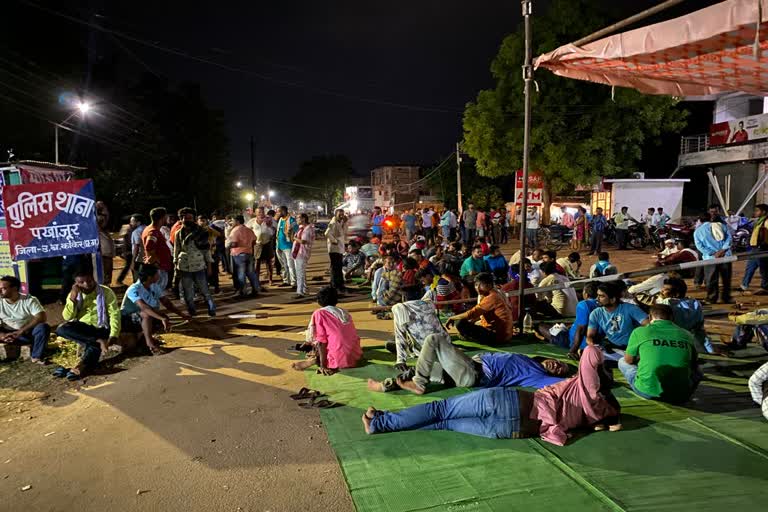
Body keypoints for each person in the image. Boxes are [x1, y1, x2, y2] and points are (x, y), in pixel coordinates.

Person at [362, 345, 620, 446]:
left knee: (439, 411)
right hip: (513, 430)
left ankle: (381, 422)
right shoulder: (594, 414)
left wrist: (599, 361)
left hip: (507, 401)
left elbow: (591, 353)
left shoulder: (587, 389)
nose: (558, 367)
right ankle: (385, 420)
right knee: (442, 421)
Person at [371, 332, 568, 394]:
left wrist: (578, 374)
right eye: (559, 363)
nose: (556, 366)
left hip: (474, 373)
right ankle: (387, 385)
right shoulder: (529, 359)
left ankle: (419, 382)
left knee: (434, 340)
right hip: (466, 368)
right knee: (422, 366)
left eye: (559, 370)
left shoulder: (537, 375)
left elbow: (564, 384)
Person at [619, 304, 700, 404]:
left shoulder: (640, 331)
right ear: (672, 318)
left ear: (649, 317)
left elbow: (629, 360)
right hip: (681, 395)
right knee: (698, 371)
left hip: (648, 392)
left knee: (622, 361)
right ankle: (683, 390)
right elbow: (694, 362)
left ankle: (645, 384)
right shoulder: (686, 334)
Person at [56, 268, 121, 380]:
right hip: (84, 327)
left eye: (89, 281)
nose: (87, 284)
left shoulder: (106, 292)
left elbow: (114, 314)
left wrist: (113, 335)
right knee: (61, 329)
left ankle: (79, 366)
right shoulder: (74, 295)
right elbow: (67, 317)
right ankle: (97, 341)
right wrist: (73, 297)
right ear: (76, 284)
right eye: (81, 282)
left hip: (102, 327)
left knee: (93, 345)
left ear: (93, 279)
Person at [120, 265, 191, 355]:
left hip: (140, 317)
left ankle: (144, 339)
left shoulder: (154, 286)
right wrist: (161, 318)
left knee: (161, 317)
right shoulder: (133, 289)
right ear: (150, 277)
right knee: (148, 314)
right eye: (157, 274)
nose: (159, 276)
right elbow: (143, 307)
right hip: (127, 319)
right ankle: (150, 344)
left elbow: (167, 303)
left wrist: (182, 315)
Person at [291, 286, 362, 374]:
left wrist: (323, 365)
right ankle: (318, 357)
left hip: (338, 359)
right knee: (338, 342)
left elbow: (321, 342)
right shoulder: (344, 311)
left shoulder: (320, 313)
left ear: (318, 301)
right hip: (355, 356)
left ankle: (315, 360)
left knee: (318, 342)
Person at [446, 273, 516, 344]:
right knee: (465, 320)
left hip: (498, 336)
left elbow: (472, 313)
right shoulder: (494, 293)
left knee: (460, 323)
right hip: (504, 335)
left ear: (489, 285)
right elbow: (477, 313)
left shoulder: (492, 297)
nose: (478, 288)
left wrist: (452, 318)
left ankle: (472, 338)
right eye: (476, 285)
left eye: (481, 285)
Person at [656, 277, 715, 355]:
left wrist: (660, 298)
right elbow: (700, 330)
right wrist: (709, 348)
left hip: (670, 343)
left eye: (665, 290)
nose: (661, 291)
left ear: (676, 294)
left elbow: (658, 307)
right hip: (687, 341)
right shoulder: (695, 302)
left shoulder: (668, 302)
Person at [173, 211, 216, 317]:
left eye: (190, 218)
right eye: (185, 218)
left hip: (199, 265)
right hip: (184, 266)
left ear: (194, 219)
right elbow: (176, 250)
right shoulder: (178, 233)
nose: (187, 220)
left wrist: (209, 266)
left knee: (204, 289)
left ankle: (211, 308)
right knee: (188, 292)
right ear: (181, 219)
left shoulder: (202, 232)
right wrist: (175, 265)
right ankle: (192, 312)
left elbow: (206, 251)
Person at [0, 276, 50, 364]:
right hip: (7, 334)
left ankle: (36, 357)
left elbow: (41, 317)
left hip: (26, 333)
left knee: (43, 327)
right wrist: (2, 335)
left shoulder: (29, 300)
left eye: (3, 288)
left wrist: (21, 331)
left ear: (14, 288)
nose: (0, 291)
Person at [586, 282, 648, 352]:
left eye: (601, 296)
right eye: (597, 295)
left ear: (613, 299)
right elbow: (590, 335)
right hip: (612, 347)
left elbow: (649, 325)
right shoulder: (596, 313)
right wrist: (592, 343)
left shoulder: (630, 308)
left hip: (633, 347)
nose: (597, 299)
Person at [694, 206, 733, 303]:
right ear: (710, 218)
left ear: (700, 220)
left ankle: (712, 298)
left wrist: (713, 253)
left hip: (710, 258)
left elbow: (700, 247)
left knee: (711, 279)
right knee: (726, 279)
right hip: (725, 257)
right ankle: (726, 297)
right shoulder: (721, 225)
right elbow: (729, 239)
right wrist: (722, 251)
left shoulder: (697, 231)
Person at [227, 215, 260, 297]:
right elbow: (254, 241)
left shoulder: (235, 230)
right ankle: (256, 289)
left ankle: (242, 291)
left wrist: (229, 246)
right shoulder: (248, 230)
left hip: (238, 254)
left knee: (240, 273)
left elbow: (234, 243)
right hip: (248, 253)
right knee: (251, 273)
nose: (232, 222)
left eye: (233, 220)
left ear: (237, 221)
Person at [142, 207, 173, 290]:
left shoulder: (150, 229)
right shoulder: (153, 231)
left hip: (158, 267)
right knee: (157, 292)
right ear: (163, 217)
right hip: (159, 268)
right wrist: (156, 262)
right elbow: (149, 246)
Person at [742, 203, 768, 294]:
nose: (755, 212)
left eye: (757, 210)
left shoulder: (766, 221)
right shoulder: (760, 220)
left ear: (763, 212)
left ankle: (765, 287)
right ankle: (744, 285)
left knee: (763, 268)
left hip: (761, 248)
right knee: (750, 267)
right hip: (755, 248)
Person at [247, 207, 276, 286]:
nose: (260, 213)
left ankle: (270, 279)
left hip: (267, 243)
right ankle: (257, 280)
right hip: (257, 244)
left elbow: (275, 229)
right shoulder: (252, 221)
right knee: (257, 262)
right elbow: (247, 230)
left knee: (269, 262)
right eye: (258, 212)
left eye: (262, 212)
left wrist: (270, 226)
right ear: (255, 213)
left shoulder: (270, 220)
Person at [117, 214, 146, 285]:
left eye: (132, 221)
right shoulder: (148, 228)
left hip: (137, 256)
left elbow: (136, 246)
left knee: (135, 273)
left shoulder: (135, 231)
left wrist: (133, 261)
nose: (131, 223)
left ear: (138, 222)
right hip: (146, 257)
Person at [292, 213, 315, 298]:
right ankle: (304, 290)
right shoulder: (301, 228)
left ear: (304, 219)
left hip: (302, 253)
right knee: (301, 272)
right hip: (298, 252)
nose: (297, 220)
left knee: (300, 273)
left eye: (298, 218)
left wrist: (294, 238)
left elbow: (303, 241)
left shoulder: (308, 229)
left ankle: (300, 291)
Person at [325, 208, 348, 293]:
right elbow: (327, 233)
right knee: (335, 268)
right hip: (334, 249)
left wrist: (345, 222)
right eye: (340, 215)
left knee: (338, 267)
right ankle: (335, 285)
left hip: (339, 248)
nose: (342, 216)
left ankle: (338, 284)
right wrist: (334, 241)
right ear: (335, 215)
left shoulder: (340, 222)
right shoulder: (333, 223)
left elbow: (344, 232)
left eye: (343, 214)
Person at [276, 206, 298, 288]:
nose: (277, 213)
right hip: (279, 245)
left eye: (279, 211)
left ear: (284, 211)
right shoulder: (280, 220)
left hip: (288, 246)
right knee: (283, 265)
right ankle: (286, 280)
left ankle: (294, 282)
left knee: (290, 265)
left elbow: (297, 231)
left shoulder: (292, 220)